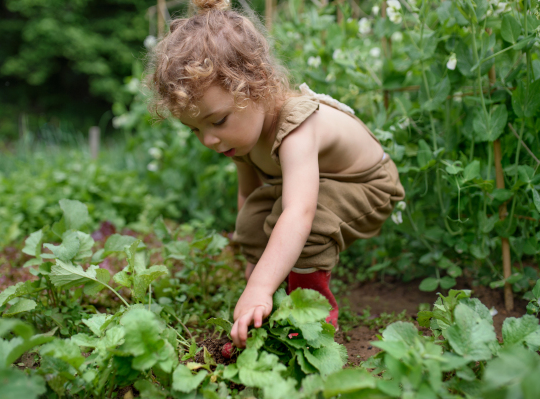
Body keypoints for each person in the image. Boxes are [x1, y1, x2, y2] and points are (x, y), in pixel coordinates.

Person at [148, 0, 405, 349]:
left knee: (307, 224)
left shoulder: (297, 127)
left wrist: (258, 288)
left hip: (369, 186)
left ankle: (309, 316)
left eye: (217, 121)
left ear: (257, 86)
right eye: (194, 129)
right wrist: (256, 264)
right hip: (317, 189)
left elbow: (300, 212)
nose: (208, 139)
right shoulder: (239, 138)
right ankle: (277, 299)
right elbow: (248, 199)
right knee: (254, 219)